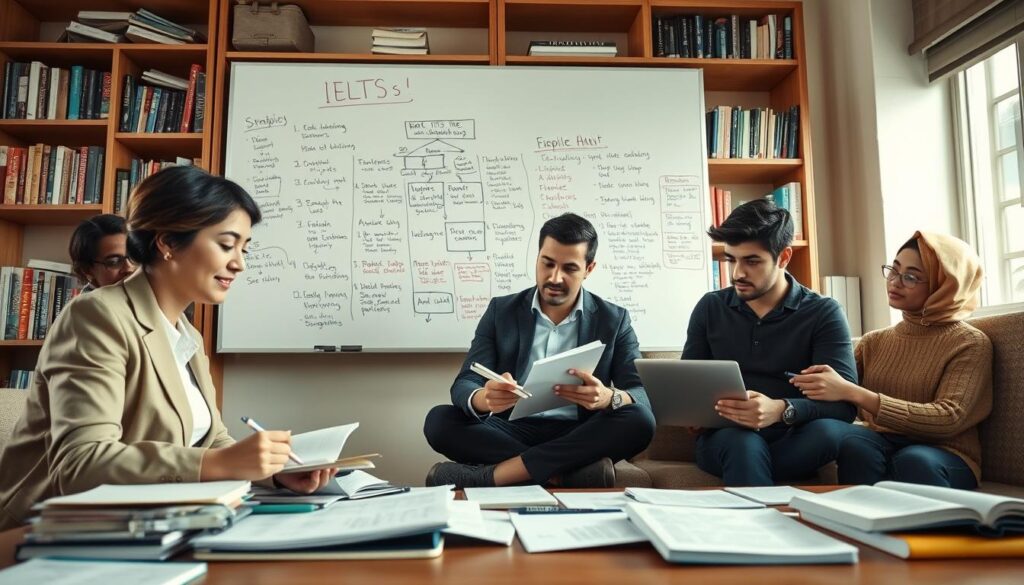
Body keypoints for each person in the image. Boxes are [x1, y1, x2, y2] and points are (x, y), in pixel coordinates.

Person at [0, 166, 334, 531]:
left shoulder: (186, 334)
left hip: (152, 523)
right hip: (47, 535)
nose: (239, 263)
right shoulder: (96, 315)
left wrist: (275, 473)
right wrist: (221, 464)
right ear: (168, 243)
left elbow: (211, 440)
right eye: (226, 244)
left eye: (244, 248)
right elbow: (81, 464)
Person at [423, 213, 656, 488]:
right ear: (537, 258)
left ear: (589, 268)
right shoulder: (502, 311)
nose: (554, 277)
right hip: (509, 429)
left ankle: (494, 476)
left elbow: (641, 395)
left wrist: (609, 397)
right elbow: (465, 382)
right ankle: (565, 474)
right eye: (547, 264)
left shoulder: (614, 320)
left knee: (640, 421)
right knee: (439, 420)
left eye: (569, 268)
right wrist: (483, 398)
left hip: (579, 433)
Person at [790, 232, 992, 489]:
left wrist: (856, 393)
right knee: (855, 445)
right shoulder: (874, 342)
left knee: (913, 459)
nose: (895, 282)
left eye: (911, 277)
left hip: (945, 453)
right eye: (893, 270)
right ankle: (859, 525)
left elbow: (948, 418)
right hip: (882, 442)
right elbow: (837, 398)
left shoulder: (970, 343)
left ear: (945, 286)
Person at [683, 199, 858, 486]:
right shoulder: (710, 307)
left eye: (752, 261)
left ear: (784, 257)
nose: (737, 273)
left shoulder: (824, 312)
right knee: (743, 445)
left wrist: (781, 409)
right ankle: (761, 520)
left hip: (795, 438)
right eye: (731, 260)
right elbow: (688, 386)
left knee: (829, 433)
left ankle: (754, 480)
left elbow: (844, 407)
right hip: (729, 437)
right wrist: (693, 411)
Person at [69, 214, 136, 291]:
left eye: (134, 256)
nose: (129, 268)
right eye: (114, 262)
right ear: (87, 270)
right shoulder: (91, 302)